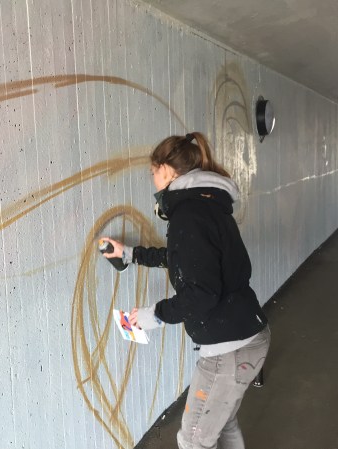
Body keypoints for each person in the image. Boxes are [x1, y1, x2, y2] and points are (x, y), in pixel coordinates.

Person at [101, 132, 270, 449]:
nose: (153, 180)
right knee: (223, 424)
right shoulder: (207, 205)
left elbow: (201, 293)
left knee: (193, 439)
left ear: (166, 170)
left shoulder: (189, 215)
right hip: (248, 335)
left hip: (228, 350)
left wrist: (153, 315)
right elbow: (188, 259)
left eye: (153, 172)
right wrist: (132, 255)